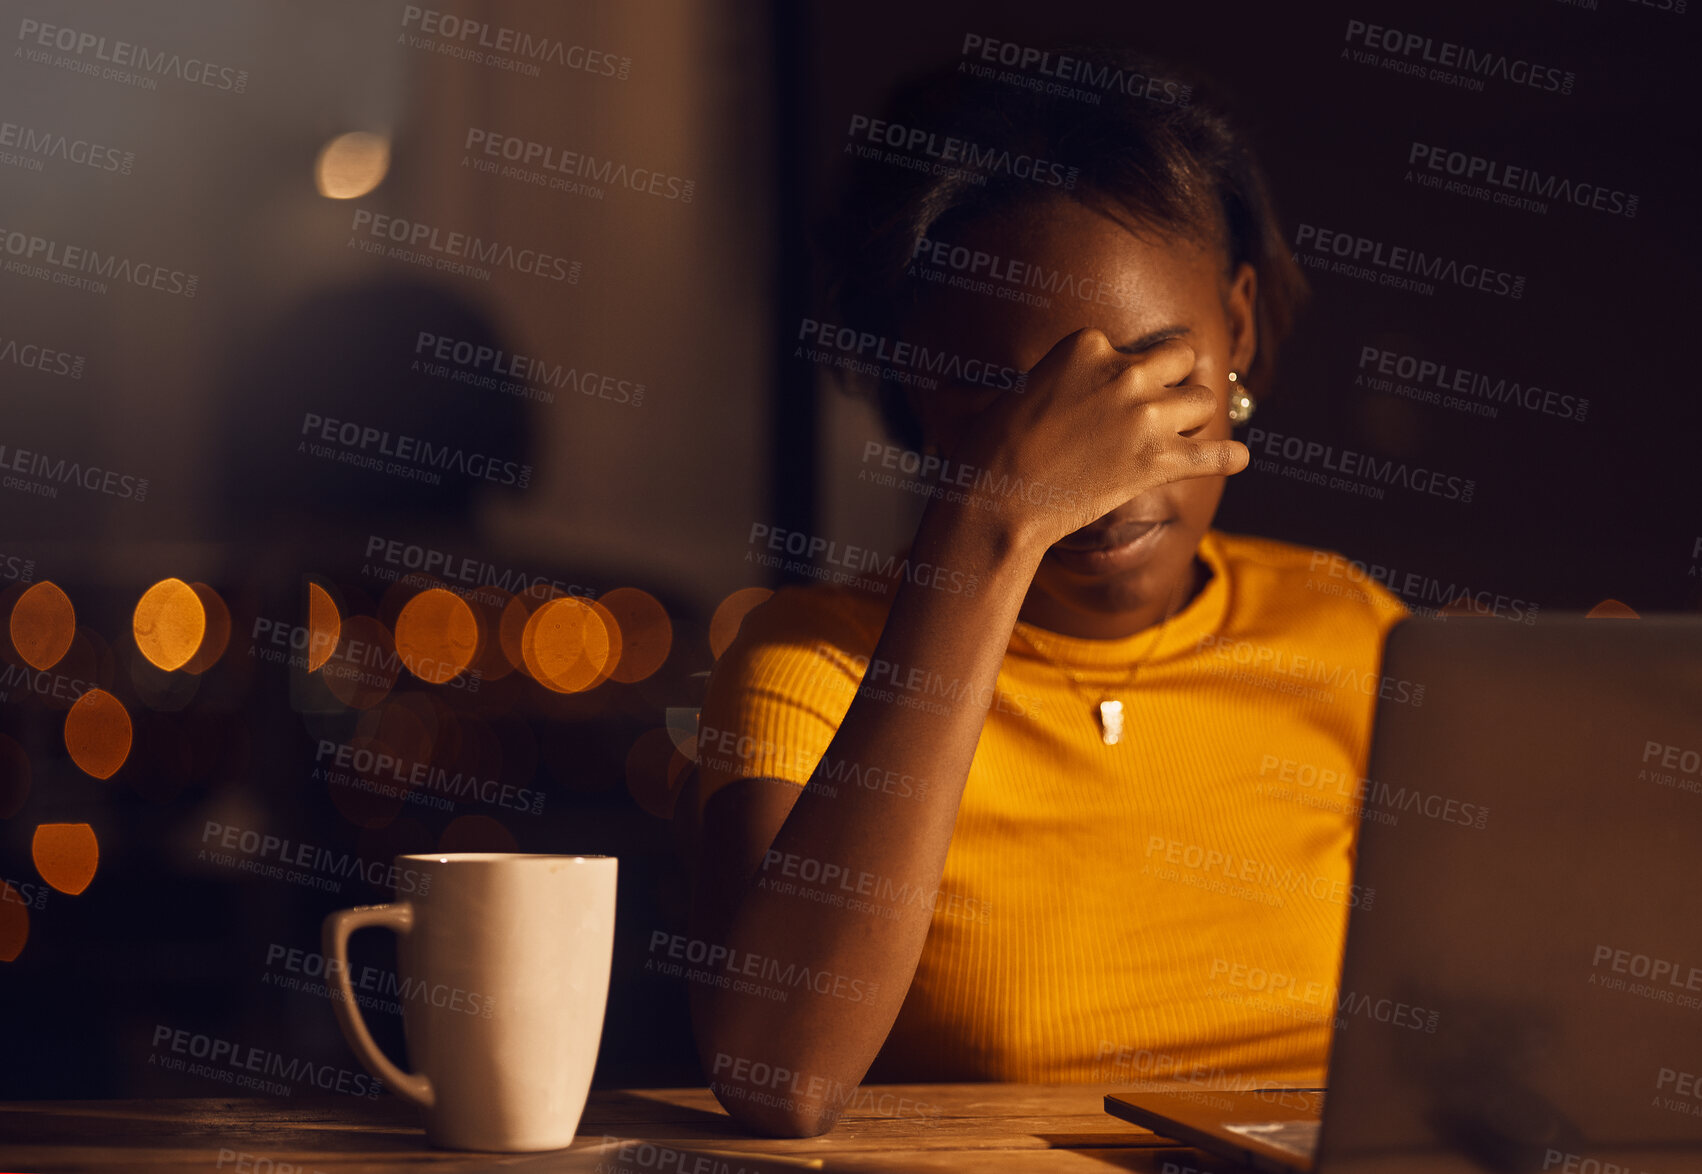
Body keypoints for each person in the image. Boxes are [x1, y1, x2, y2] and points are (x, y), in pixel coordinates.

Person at [681, 45, 1407, 1137]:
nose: (1104, 480)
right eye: (1009, 408)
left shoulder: (1349, 628)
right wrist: (988, 528)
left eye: (1156, 376)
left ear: (1237, 328)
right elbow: (778, 1073)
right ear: (908, 385)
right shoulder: (812, 664)